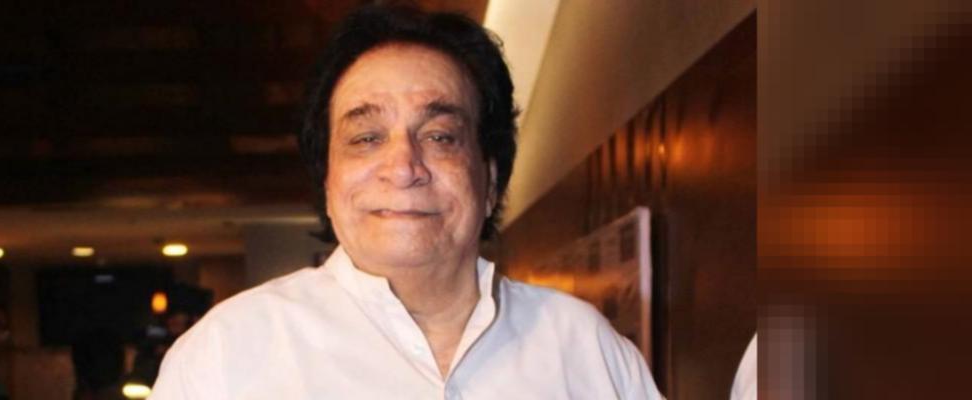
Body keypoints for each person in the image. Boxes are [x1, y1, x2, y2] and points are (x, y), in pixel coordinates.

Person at [150, 4, 663, 399]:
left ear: (490, 180)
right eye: (366, 138)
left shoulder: (585, 347)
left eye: (440, 137)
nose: (403, 167)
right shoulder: (225, 354)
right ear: (327, 179)